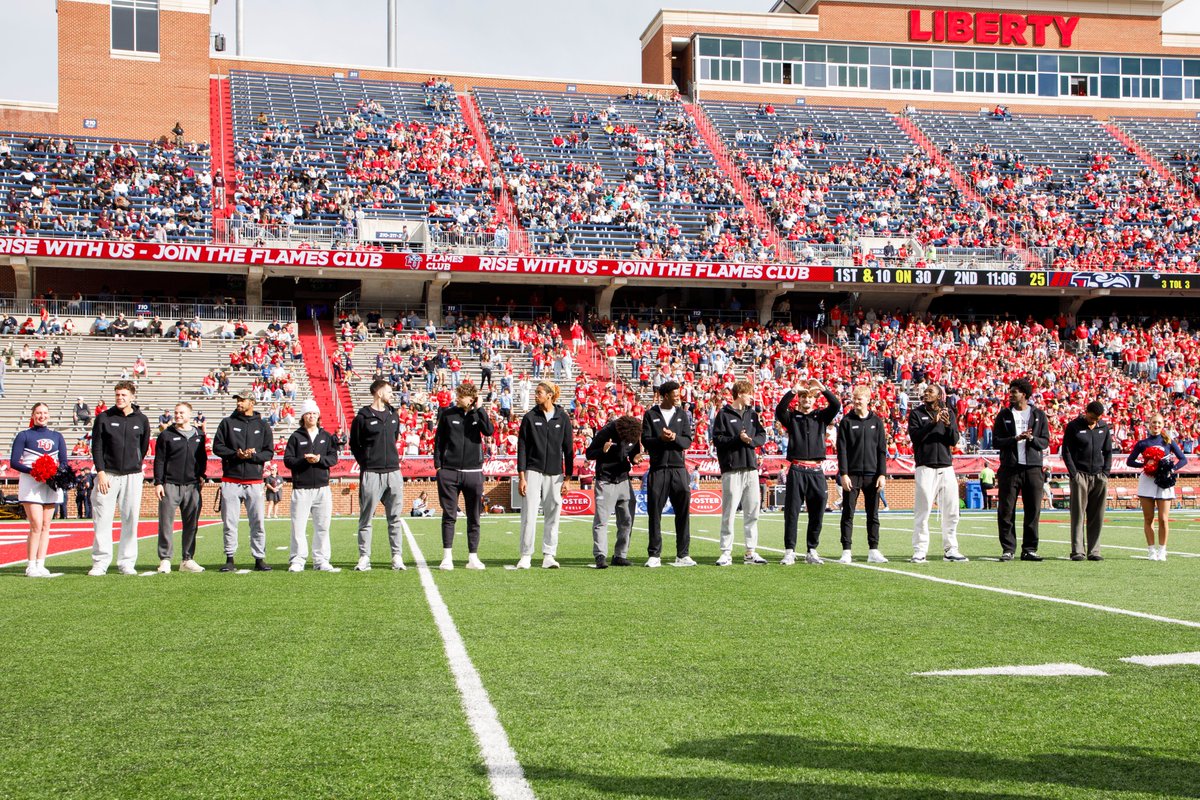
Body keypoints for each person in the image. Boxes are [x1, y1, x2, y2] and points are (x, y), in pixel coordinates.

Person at [89, 381, 151, 576]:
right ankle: (100, 562)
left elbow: (143, 446)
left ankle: (127, 562)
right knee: (102, 518)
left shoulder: (141, 419)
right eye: (117, 394)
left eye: (124, 395)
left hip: (132, 476)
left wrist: (135, 466)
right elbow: (97, 447)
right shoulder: (103, 418)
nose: (120, 398)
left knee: (131, 519)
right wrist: (100, 472)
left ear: (132, 397)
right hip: (107, 475)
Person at [775, 379, 840, 565]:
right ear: (799, 399)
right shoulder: (792, 417)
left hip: (817, 470)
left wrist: (822, 388)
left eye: (810, 397)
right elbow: (780, 410)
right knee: (792, 512)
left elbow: (836, 405)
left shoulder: (821, 417)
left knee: (817, 511)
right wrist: (794, 390)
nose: (807, 400)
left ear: (814, 400)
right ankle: (789, 551)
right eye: (803, 397)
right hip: (797, 469)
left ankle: (812, 550)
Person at [212, 389, 275, 572]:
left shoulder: (263, 425)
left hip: (254, 481)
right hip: (231, 480)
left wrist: (253, 456)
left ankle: (259, 558)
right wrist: (235, 454)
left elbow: (268, 452)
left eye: (242, 400)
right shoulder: (227, 423)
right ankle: (230, 558)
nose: (239, 403)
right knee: (230, 522)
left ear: (252, 402)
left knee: (257, 522)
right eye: (238, 400)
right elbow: (218, 447)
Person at [433, 383, 494, 570]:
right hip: (449, 472)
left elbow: (489, 431)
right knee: (449, 515)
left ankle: (473, 557)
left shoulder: (478, 414)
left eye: (461, 396)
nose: (457, 398)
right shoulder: (447, 414)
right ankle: (447, 557)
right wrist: (438, 468)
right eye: (457, 395)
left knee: (474, 516)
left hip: (473, 473)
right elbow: (439, 442)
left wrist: (480, 408)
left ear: (471, 398)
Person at [515, 381, 573, 569]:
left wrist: (568, 478)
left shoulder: (562, 418)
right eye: (535, 392)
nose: (535, 395)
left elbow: (568, 449)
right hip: (532, 470)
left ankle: (549, 554)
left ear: (549, 395)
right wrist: (522, 476)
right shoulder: (529, 417)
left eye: (539, 392)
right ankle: (526, 555)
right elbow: (522, 448)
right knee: (529, 514)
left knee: (553, 514)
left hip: (555, 473)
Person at [350, 379, 406, 571]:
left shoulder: (393, 415)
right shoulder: (362, 417)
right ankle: (364, 556)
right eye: (389, 391)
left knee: (395, 517)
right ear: (379, 393)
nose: (392, 395)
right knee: (366, 518)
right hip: (371, 473)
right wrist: (366, 462)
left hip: (393, 472)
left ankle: (397, 556)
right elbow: (354, 444)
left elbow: (394, 438)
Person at [992, 378, 1051, 562]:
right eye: (1010, 391)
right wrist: (1015, 439)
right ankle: (1008, 548)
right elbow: (996, 442)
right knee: (1006, 510)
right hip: (1010, 468)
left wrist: (1032, 439)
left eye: (1014, 392)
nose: (1011, 395)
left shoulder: (1039, 415)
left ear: (1024, 394)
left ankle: (1030, 549)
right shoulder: (1004, 415)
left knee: (1033, 510)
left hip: (1033, 468)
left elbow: (1045, 442)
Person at [710, 380, 768, 566]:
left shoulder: (752, 414)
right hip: (732, 469)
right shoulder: (724, 414)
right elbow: (718, 440)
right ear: (740, 393)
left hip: (751, 468)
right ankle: (726, 552)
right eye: (749, 393)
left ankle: (750, 551)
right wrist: (738, 439)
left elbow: (762, 435)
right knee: (729, 513)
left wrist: (751, 441)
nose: (752, 396)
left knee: (752, 512)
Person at [909, 383, 968, 563]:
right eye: (925, 391)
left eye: (930, 391)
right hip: (925, 466)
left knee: (951, 511)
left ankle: (951, 549)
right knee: (923, 510)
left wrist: (948, 425)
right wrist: (933, 423)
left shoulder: (948, 412)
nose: (926, 394)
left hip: (945, 466)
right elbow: (915, 437)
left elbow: (954, 440)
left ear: (939, 395)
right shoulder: (917, 414)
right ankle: (920, 549)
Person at [641, 380, 695, 568]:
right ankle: (654, 555)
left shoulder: (683, 414)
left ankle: (683, 554)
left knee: (683, 513)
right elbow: (646, 441)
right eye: (675, 395)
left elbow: (687, 441)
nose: (678, 397)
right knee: (655, 513)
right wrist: (661, 439)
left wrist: (674, 438)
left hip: (679, 470)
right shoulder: (650, 414)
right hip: (658, 470)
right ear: (665, 396)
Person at [284, 399, 340, 573]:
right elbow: (288, 460)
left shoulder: (326, 436)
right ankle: (298, 559)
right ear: (303, 416)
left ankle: (321, 559)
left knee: (323, 525)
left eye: (314, 413)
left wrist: (319, 460)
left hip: (322, 487)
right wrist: (304, 460)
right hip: (301, 488)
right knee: (298, 526)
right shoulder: (296, 437)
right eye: (308, 413)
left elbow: (333, 458)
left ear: (318, 415)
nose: (311, 416)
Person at [11, 403, 66, 577]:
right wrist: (34, 472)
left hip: (50, 484)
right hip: (31, 484)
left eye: (45, 413)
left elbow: (64, 462)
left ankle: (41, 563)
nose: (42, 416)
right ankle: (30, 565)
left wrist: (53, 473)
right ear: (33, 415)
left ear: (49, 415)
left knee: (46, 525)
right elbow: (14, 462)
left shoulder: (57, 436)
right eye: (38, 413)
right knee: (35, 524)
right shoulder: (24, 435)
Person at [153, 401, 208, 574]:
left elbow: (202, 458)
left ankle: (187, 559)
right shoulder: (166, 435)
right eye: (176, 413)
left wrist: (202, 475)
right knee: (166, 524)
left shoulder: (199, 435)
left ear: (189, 415)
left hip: (192, 485)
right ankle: (165, 559)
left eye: (181, 413)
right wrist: (158, 482)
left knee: (191, 524)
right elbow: (159, 460)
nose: (178, 415)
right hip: (170, 484)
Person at [836, 385, 888, 564]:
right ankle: (846, 550)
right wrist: (843, 473)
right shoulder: (846, 421)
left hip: (873, 476)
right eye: (855, 398)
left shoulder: (877, 421)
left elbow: (882, 450)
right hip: (852, 475)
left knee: (873, 514)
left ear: (868, 399)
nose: (857, 402)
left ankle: (873, 550)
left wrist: (882, 474)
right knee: (848, 513)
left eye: (860, 398)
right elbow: (841, 450)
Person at [585, 414, 643, 569]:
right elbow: (589, 453)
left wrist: (635, 458)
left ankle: (620, 555)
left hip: (624, 479)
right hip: (606, 479)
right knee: (602, 520)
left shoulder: (634, 433)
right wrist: (602, 451)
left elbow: (633, 454)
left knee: (627, 520)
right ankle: (600, 555)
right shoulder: (606, 432)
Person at [1127, 413, 1188, 561]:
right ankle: (1151, 550)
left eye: (1159, 423)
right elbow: (1130, 461)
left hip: (1164, 482)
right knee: (1148, 518)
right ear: (1149, 424)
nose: (1156, 426)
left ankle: (1162, 550)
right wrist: (1144, 465)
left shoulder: (1168, 441)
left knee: (1163, 519)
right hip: (1147, 481)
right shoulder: (1142, 443)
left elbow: (1183, 459)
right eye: (1154, 423)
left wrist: (1171, 469)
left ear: (1163, 425)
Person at [1061, 401, 1113, 561]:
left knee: (1097, 515)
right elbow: (1066, 451)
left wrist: (1105, 473)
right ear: (1086, 412)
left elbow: (1108, 451)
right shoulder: (1073, 426)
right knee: (1078, 514)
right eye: (1092, 418)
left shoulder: (1103, 428)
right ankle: (1077, 551)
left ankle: (1094, 551)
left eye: (1097, 419)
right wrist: (1074, 474)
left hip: (1099, 476)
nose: (1094, 421)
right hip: (1080, 475)